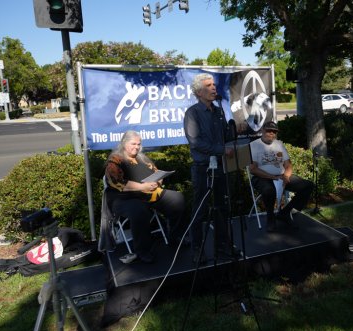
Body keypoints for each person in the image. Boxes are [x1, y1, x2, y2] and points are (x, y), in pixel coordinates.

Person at [104, 130, 186, 263]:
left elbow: (156, 172)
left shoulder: (142, 158)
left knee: (177, 199)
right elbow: (116, 181)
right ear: (124, 143)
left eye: (138, 144)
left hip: (149, 194)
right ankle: (142, 250)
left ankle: (175, 236)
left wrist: (159, 180)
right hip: (124, 198)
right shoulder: (115, 160)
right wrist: (142, 187)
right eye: (133, 144)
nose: (136, 147)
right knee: (139, 210)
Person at [184, 73, 240, 264]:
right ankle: (197, 250)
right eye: (209, 85)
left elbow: (224, 136)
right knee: (200, 210)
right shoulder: (192, 113)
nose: (214, 88)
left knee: (222, 207)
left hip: (221, 167)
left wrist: (233, 130)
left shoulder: (218, 111)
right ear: (199, 91)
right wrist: (221, 149)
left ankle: (223, 246)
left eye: (214, 84)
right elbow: (195, 143)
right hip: (203, 169)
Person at [249, 121, 314, 232]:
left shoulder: (279, 144)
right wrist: (273, 177)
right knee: (269, 190)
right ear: (262, 131)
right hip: (261, 177)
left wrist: (286, 176)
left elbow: (288, 165)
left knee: (308, 185)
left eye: (274, 131)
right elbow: (253, 169)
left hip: (281, 176)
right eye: (268, 130)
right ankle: (271, 219)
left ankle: (285, 212)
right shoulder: (254, 145)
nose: (271, 133)